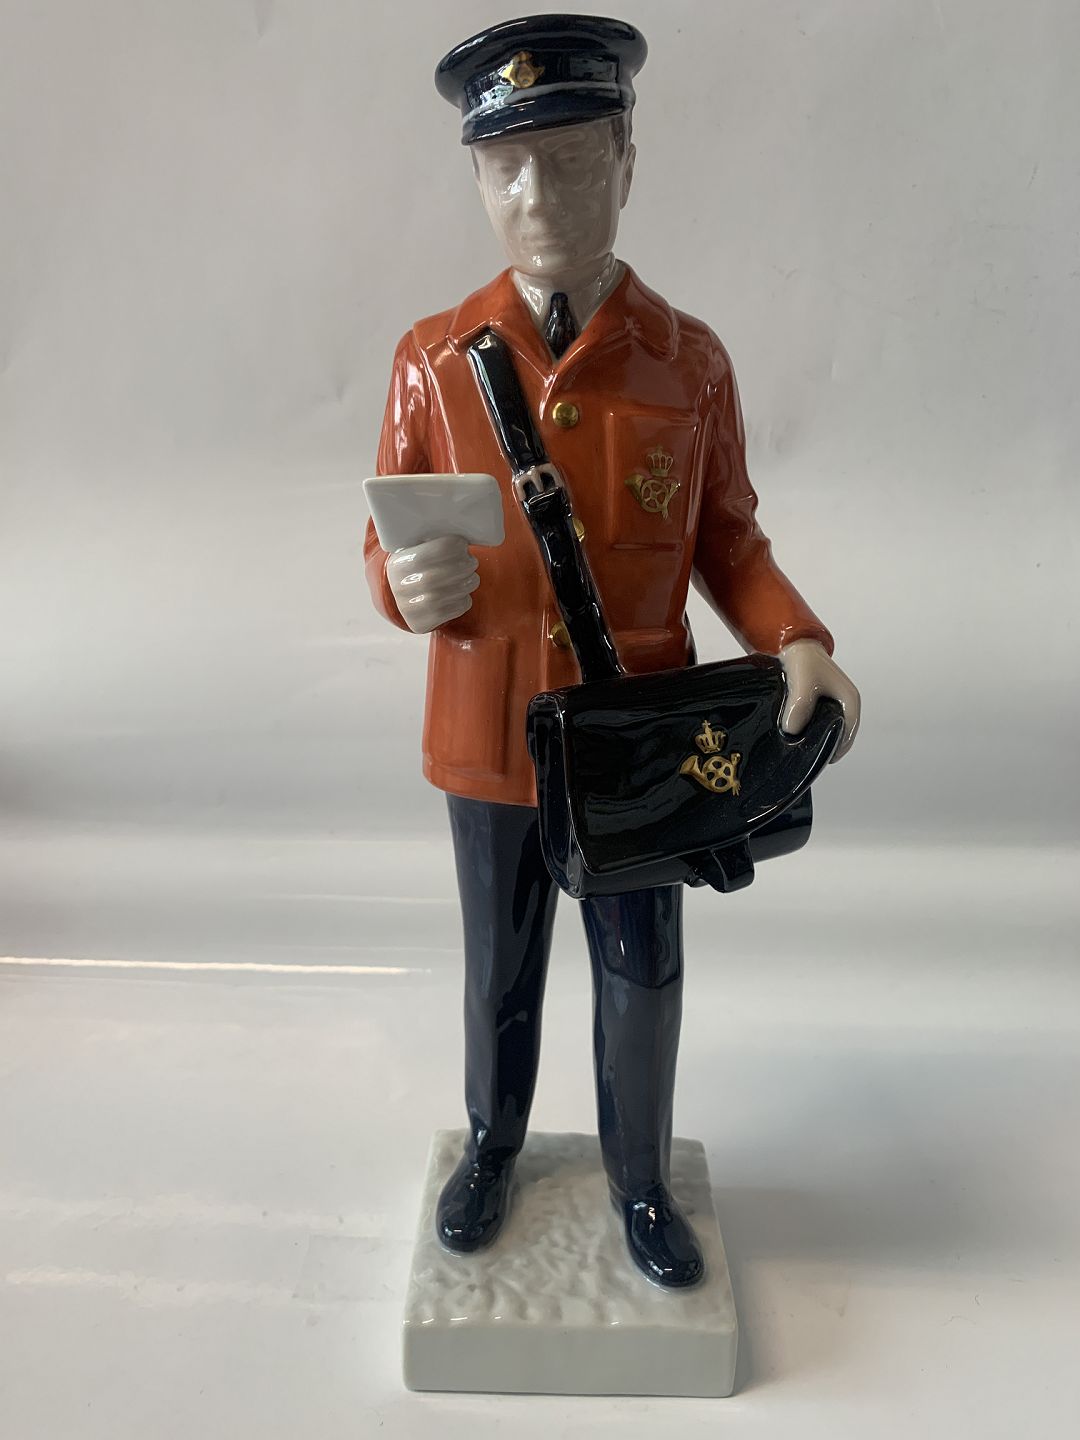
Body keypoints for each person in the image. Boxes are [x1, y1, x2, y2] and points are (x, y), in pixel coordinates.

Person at [364, 14, 860, 1288]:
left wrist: (797, 640)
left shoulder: (687, 363)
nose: (539, 197)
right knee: (500, 967)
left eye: (575, 160)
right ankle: (493, 1144)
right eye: (509, 168)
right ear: (478, 179)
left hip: (641, 738)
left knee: (643, 970)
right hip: (489, 734)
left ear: (628, 163)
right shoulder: (433, 361)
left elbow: (728, 539)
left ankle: (640, 1181)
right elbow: (386, 534)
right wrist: (403, 586)